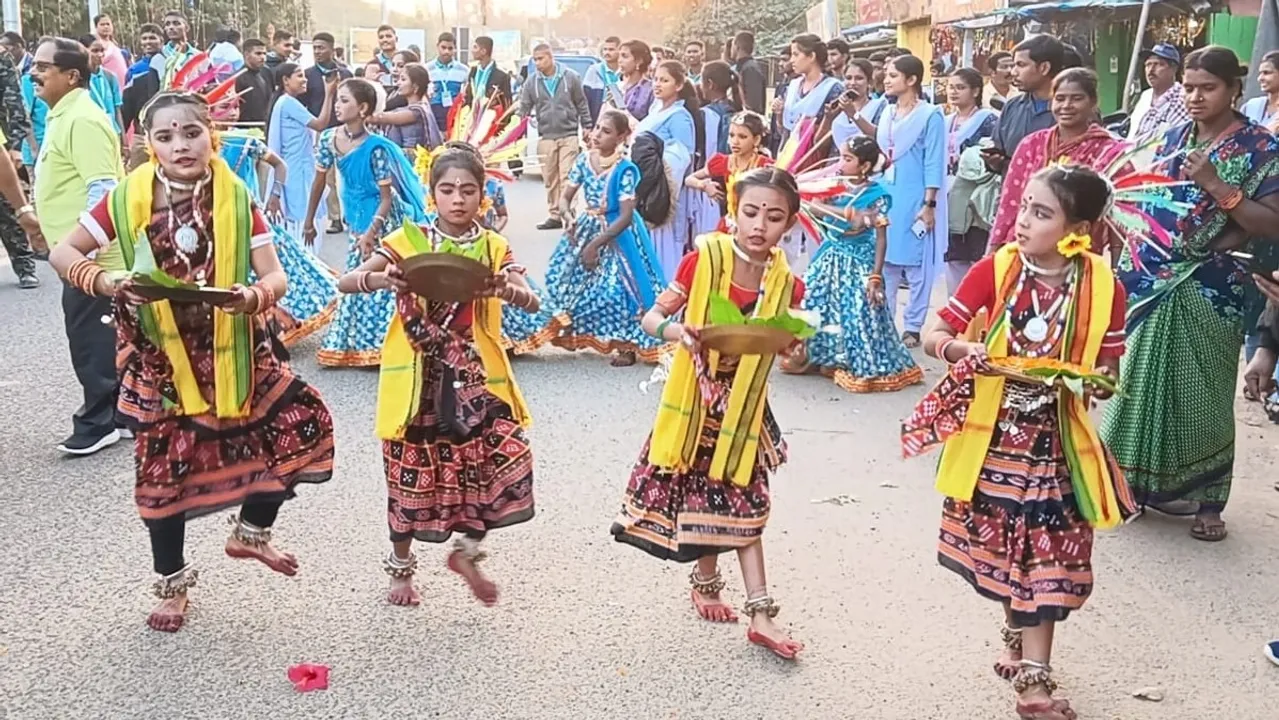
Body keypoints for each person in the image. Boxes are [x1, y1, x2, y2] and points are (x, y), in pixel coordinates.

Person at [48, 89, 336, 633]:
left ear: (212, 135)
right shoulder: (126, 197)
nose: (180, 144)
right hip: (160, 358)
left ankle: (251, 532)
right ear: (149, 144)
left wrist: (252, 297)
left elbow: (275, 276)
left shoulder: (236, 197)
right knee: (164, 473)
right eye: (165, 136)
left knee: (304, 423)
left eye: (191, 132)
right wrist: (107, 281)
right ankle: (172, 584)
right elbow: (63, 252)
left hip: (234, 345)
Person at [905, 164, 1134, 720]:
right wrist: (962, 351)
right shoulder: (997, 270)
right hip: (995, 441)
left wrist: (1091, 381)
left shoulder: (1105, 288)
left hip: (1060, 445)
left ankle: (1035, 681)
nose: (1022, 220)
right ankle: (1016, 629)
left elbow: (1109, 371)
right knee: (1010, 553)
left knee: (1048, 553)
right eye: (1024, 206)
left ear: (1078, 228)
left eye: (1041, 212)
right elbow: (938, 333)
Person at [612, 166, 807, 661]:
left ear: (790, 224)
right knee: (704, 492)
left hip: (745, 410)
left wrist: (794, 350)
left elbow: (791, 350)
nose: (760, 225)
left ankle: (760, 613)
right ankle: (706, 580)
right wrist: (678, 332)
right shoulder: (702, 260)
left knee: (745, 500)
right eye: (751, 212)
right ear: (734, 211)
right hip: (695, 403)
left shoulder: (787, 283)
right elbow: (652, 317)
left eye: (774, 217)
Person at [336, 146, 535, 607]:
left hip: (473, 375)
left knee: (503, 458)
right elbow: (346, 281)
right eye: (447, 190)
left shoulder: (493, 247)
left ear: (483, 195)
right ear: (433, 194)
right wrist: (382, 279)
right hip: (418, 377)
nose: (457, 199)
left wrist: (507, 290)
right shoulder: (409, 241)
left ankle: (466, 552)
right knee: (410, 474)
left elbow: (532, 298)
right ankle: (401, 569)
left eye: (468, 190)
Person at [1101, 46, 1279, 541]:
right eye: (1190, 88)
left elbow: (1271, 223)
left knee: (1204, 392)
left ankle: (1208, 500)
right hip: (1154, 276)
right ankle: (1128, 485)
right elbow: (1147, 201)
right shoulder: (1172, 138)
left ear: (1234, 89)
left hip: (1215, 286)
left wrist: (1217, 185)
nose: (1196, 97)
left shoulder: (1261, 147)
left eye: (1208, 88)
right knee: (1138, 384)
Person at [30, 38, 125, 455]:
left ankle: (98, 421)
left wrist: (82, 254)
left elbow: (103, 190)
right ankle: (119, 415)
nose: (33, 74)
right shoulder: (64, 114)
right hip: (75, 254)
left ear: (72, 76)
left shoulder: (83, 119)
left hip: (90, 258)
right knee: (99, 336)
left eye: (42, 67)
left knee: (91, 339)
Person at [304, 78, 429, 368]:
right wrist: (309, 220)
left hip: (382, 220)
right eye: (337, 99)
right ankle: (362, 345)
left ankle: (385, 346)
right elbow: (319, 182)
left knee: (382, 278)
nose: (337, 106)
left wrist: (372, 232)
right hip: (356, 217)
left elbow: (385, 198)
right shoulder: (329, 139)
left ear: (362, 109)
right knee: (358, 279)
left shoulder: (377, 148)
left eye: (344, 100)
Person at [790, 135, 923, 392]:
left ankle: (852, 360)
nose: (840, 163)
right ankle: (822, 357)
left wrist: (876, 275)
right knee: (812, 298)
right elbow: (814, 208)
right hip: (831, 252)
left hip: (860, 257)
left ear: (864, 166)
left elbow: (880, 237)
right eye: (841, 157)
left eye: (847, 159)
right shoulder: (835, 185)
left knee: (860, 309)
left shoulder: (877, 195)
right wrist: (847, 214)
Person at [542, 109, 665, 367]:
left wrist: (596, 245)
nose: (597, 134)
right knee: (561, 276)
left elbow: (626, 215)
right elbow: (565, 197)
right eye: (597, 128)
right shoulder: (584, 160)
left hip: (619, 232)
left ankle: (627, 344)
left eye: (606, 131)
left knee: (620, 289)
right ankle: (575, 330)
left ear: (621, 137)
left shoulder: (625, 169)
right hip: (587, 225)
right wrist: (567, 216)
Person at [213, 99, 337, 345]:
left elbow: (280, 164)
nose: (233, 113)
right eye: (224, 108)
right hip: (214, 220)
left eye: (236, 107)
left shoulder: (245, 141)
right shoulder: (198, 148)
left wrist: (275, 194)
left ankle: (275, 326)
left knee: (273, 273)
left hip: (248, 216)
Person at [988, 69, 1126, 257]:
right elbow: (1009, 203)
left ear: (1093, 102)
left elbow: (1121, 215)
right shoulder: (1031, 144)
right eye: (1060, 99)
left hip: (1079, 251)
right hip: (1023, 249)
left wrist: (1116, 265)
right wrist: (991, 252)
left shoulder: (1110, 152)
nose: (1066, 106)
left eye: (1077, 99)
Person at [875, 54, 946, 348]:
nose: (886, 80)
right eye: (886, 75)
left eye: (893, 75)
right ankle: (886, 323)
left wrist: (929, 204)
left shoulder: (930, 115)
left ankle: (913, 326)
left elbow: (934, 160)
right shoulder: (887, 112)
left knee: (917, 264)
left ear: (912, 79)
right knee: (886, 259)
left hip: (916, 196)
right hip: (887, 194)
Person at [639, 60, 704, 281]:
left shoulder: (679, 117)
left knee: (666, 247)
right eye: (655, 79)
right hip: (647, 186)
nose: (657, 84)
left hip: (667, 191)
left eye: (664, 80)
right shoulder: (655, 109)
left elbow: (683, 157)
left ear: (678, 85)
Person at [518, 43, 592, 231]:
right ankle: (554, 214)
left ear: (551, 57)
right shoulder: (532, 82)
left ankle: (568, 212)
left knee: (567, 175)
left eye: (541, 59)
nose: (537, 63)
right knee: (550, 178)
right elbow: (524, 106)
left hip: (569, 134)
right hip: (546, 135)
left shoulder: (570, 77)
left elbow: (581, 103)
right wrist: (515, 129)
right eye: (535, 59)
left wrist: (587, 126)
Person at [267, 63, 336, 250]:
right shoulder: (288, 103)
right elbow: (320, 124)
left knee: (299, 221)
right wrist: (329, 94)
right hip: (297, 172)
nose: (305, 80)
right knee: (304, 222)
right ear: (286, 80)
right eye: (299, 75)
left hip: (296, 169)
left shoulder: (287, 102)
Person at [943, 67, 998, 292]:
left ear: (975, 91)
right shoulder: (945, 121)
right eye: (951, 87)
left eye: (960, 87)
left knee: (977, 252)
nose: (953, 92)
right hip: (949, 195)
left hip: (976, 196)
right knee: (953, 255)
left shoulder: (989, 121)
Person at [986, 35, 1063, 177]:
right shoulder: (1013, 107)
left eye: (1021, 65)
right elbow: (997, 148)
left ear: (1044, 68)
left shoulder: (1071, 111)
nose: (1013, 72)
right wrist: (994, 162)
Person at [686, 111, 772, 235]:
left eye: (742, 137)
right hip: (729, 225)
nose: (735, 142)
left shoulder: (765, 166)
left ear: (756, 140)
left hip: (756, 227)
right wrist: (704, 186)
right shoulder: (723, 162)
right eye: (731, 135)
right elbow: (689, 179)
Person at [303, 32, 354, 232]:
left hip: (347, 129)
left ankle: (351, 213)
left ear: (332, 50)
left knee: (349, 174)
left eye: (321, 48)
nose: (317, 52)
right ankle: (335, 218)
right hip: (322, 132)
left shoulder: (345, 74)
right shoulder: (307, 75)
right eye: (314, 48)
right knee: (327, 176)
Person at [0, 48, 36, 288]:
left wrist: (15, 147)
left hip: (4, 139)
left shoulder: (1, 57)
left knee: (8, 206)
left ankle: (25, 265)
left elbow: (15, 103)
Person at [775, 34, 842, 151]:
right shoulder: (792, 86)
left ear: (811, 56)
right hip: (790, 154)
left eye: (796, 54)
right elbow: (784, 131)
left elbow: (833, 135)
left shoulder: (833, 88)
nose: (792, 60)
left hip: (815, 154)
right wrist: (779, 114)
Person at [370, 63, 442, 163]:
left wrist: (365, 115)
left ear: (415, 87)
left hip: (412, 162)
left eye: (403, 79)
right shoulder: (408, 109)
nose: (398, 83)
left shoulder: (417, 111)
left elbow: (384, 118)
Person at [122, 24, 164, 170]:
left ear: (161, 41)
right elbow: (128, 103)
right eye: (144, 38)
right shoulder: (134, 69)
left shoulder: (170, 64)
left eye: (152, 38)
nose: (148, 42)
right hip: (141, 135)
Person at [1129, 43, 1189, 141]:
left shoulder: (1182, 98)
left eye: (1158, 64)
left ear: (1174, 68)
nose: (1151, 70)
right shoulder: (1146, 96)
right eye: (1148, 65)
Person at [828, 58, 889, 152]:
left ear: (870, 82)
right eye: (848, 78)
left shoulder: (880, 106)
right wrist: (827, 118)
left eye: (859, 78)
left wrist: (854, 115)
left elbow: (880, 137)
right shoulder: (838, 108)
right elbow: (820, 143)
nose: (852, 83)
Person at [81, 35, 124, 146]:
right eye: (95, 51)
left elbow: (117, 110)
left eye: (102, 50)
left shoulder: (110, 77)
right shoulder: (80, 80)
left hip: (112, 132)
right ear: (83, 51)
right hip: (91, 135)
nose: (100, 54)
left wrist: (124, 141)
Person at [428, 32, 469, 133]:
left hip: (456, 114)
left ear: (455, 49)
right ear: (437, 46)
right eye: (443, 47)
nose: (446, 51)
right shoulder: (427, 69)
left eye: (450, 48)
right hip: (433, 113)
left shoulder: (464, 70)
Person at [463, 36, 513, 109]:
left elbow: (506, 103)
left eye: (475, 47)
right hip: (471, 113)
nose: (472, 51)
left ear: (483, 51)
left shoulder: (502, 76)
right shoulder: (473, 72)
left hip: (490, 114)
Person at [151, 11, 198, 89]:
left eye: (176, 23)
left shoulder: (199, 57)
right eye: (167, 24)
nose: (171, 27)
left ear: (187, 27)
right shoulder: (158, 59)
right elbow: (153, 92)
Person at [235, 39, 273, 126]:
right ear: (246, 54)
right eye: (258, 53)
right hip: (247, 126)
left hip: (267, 124)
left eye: (264, 54)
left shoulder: (267, 72)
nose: (263, 57)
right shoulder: (239, 78)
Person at [583, 36, 622, 121]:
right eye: (605, 49)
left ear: (620, 51)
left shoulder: (625, 70)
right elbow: (585, 99)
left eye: (611, 50)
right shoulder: (594, 70)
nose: (607, 52)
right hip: (600, 118)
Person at [1242, 50, 1279, 132]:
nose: (1260, 78)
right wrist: (1269, 131)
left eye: (1266, 73)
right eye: (1260, 73)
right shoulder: (1251, 106)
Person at [618, 39, 655, 122]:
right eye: (619, 56)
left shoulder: (651, 90)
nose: (619, 60)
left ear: (639, 61)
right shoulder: (617, 87)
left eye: (625, 56)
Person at [732, 31, 766, 114]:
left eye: (732, 46)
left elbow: (753, 105)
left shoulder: (750, 68)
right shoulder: (741, 67)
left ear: (737, 47)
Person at [367, 24, 399, 89]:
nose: (385, 40)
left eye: (388, 36)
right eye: (381, 37)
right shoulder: (372, 64)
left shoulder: (406, 60)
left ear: (396, 39)